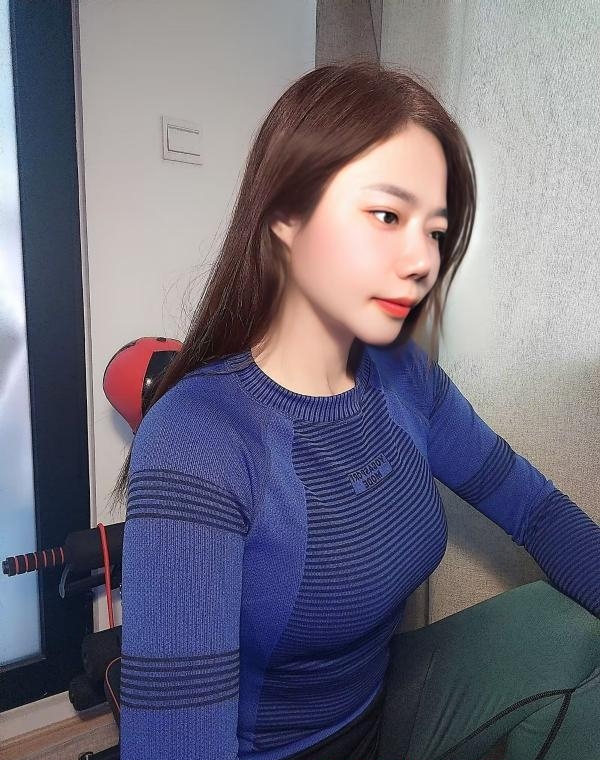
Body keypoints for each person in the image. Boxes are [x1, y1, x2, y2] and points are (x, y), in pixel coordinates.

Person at [112, 61, 600, 760]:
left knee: (568, 628)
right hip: (282, 749)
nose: (423, 260)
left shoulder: (405, 378)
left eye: (435, 230)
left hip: (383, 701)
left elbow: (537, 509)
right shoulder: (198, 440)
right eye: (387, 215)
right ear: (284, 215)